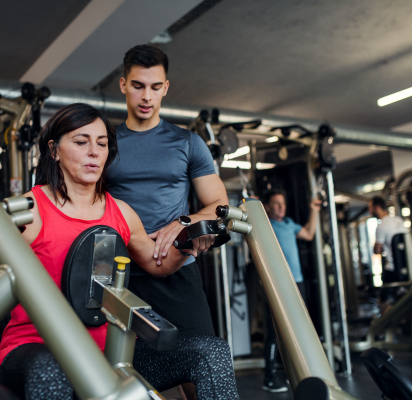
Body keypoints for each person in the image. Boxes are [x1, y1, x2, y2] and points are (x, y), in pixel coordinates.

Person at [0, 103, 192, 399]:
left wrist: (191, 243)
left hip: (109, 352)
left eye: (101, 144)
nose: (94, 152)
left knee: (209, 353)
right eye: (81, 141)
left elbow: (158, 264)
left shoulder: (121, 213)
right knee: (53, 367)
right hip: (35, 350)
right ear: (54, 150)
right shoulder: (30, 210)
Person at [105, 45, 238, 400]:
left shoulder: (187, 142)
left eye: (154, 86)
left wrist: (183, 222)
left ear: (166, 87)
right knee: (128, 379)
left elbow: (218, 205)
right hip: (123, 275)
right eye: (137, 85)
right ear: (122, 85)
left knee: (201, 374)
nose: (146, 96)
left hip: (178, 272)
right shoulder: (106, 144)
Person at [261, 189, 321, 392]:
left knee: (298, 328)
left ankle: (297, 372)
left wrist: (314, 211)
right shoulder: (266, 226)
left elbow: (310, 234)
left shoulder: (289, 224)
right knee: (274, 332)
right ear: (268, 207)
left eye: (283, 203)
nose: (281, 207)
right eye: (276, 203)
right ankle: (269, 377)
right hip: (278, 284)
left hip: (298, 282)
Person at [368, 196, 412, 303]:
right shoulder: (398, 219)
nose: (369, 211)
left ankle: (385, 318)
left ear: (377, 208)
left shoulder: (381, 226)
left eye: (370, 208)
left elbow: (377, 251)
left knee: (384, 300)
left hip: (395, 269)